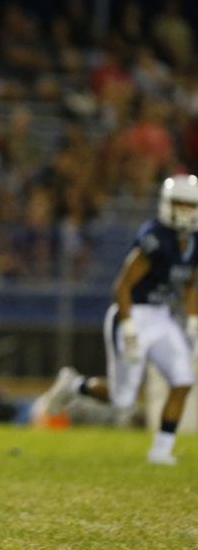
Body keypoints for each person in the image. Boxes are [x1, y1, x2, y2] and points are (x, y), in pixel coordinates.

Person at [43, 175, 198, 465]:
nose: (185, 211)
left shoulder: (194, 242)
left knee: (183, 380)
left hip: (161, 314)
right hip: (134, 312)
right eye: (179, 204)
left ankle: (160, 453)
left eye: (190, 205)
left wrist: (193, 322)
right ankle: (74, 384)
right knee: (122, 400)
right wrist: (128, 329)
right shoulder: (155, 237)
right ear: (167, 205)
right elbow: (122, 287)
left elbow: (191, 285)